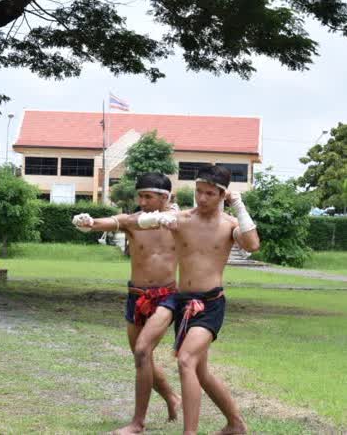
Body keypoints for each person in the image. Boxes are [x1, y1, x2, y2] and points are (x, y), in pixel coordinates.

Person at [121, 165, 259, 435]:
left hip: (210, 304)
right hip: (183, 302)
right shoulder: (182, 219)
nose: (202, 198)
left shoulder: (230, 225)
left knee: (185, 361)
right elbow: (134, 221)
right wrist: (160, 219)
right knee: (201, 372)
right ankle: (236, 424)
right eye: (198, 191)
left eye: (209, 193)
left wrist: (240, 207)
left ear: (223, 195)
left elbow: (252, 244)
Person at [72, 172, 181, 434]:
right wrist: (87, 221)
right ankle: (171, 397)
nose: (141, 202)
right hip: (136, 295)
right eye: (139, 196)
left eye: (148, 196)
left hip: (167, 296)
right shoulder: (133, 221)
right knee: (142, 356)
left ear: (165, 197)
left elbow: (209, 222)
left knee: (143, 351)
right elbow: (107, 222)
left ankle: (137, 423)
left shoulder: (180, 221)